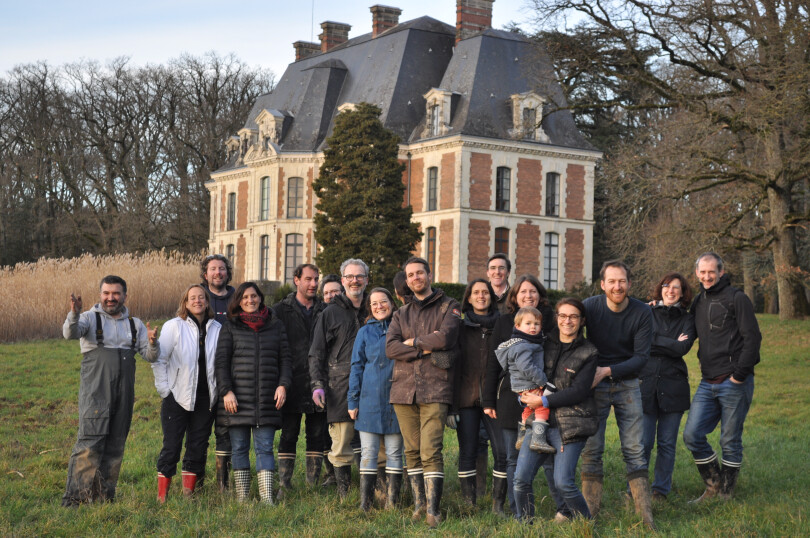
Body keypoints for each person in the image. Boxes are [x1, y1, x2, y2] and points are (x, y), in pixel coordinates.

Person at [61, 275, 159, 507]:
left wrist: (153, 343)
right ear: (100, 295)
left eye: (116, 293)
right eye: (106, 293)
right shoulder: (88, 318)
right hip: (96, 394)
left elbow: (150, 356)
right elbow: (70, 333)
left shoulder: (135, 324)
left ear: (125, 295)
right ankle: (75, 500)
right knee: (89, 445)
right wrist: (74, 313)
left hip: (123, 395)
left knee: (115, 445)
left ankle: (104, 498)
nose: (111, 298)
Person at [386, 257, 462, 528]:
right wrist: (422, 350)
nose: (415, 278)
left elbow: (446, 338)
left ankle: (433, 510)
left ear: (429, 275)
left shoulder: (449, 306)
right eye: (410, 275)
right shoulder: (401, 313)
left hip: (435, 388)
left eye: (420, 273)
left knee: (431, 449)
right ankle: (419, 505)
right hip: (403, 390)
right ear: (406, 281)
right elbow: (391, 348)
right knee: (412, 451)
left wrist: (413, 342)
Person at [580, 260, 655, 529]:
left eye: (622, 281)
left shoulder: (642, 312)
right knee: (592, 449)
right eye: (611, 281)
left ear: (629, 284)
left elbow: (641, 358)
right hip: (594, 385)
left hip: (628, 383)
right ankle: (589, 514)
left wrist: (607, 371)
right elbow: (568, 330)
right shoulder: (590, 307)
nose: (617, 286)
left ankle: (645, 516)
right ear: (602, 284)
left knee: (635, 449)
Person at [683, 252, 761, 502]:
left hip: (734, 381)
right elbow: (684, 326)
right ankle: (713, 485)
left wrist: (739, 375)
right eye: (703, 272)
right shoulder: (699, 300)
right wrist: (656, 307)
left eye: (711, 272)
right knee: (692, 435)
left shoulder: (737, 298)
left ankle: (725, 495)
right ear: (697, 273)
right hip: (708, 381)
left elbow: (753, 338)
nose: (707, 277)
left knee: (730, 439)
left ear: (721, 272)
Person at [513, 298, 598, 522]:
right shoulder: (542, 343)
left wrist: (543, 401)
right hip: (538, 422)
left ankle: (585, 524)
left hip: (571, 423)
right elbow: (522, 370)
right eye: (563, 316)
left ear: (582, 321)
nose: (567, 321)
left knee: (564, 483)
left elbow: (579, 391)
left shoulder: (589, 352)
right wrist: (523, 394)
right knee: (521, 479)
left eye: (573, 316)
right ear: (556, 318)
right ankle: (524, 524)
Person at [483, 274, 561, 517]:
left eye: (533, 291)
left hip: (546, 395)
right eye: (523, 292)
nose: (528, 295)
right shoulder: (504, 322)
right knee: (512, 458)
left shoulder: (551, 321)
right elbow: (492, 364)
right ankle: (518, 510)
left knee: (549, 456)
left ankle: (562, 509)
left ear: (540, 295)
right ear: (514, 296)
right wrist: (488, 400)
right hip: (511, 396)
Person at [215, 282, 291, 504]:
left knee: (265, 448)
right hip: (236, 400)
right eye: (245, 297)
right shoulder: (230, 327)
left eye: (254, 296)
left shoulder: (275, 325)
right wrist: (226, 391)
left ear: (260, 298)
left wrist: (283, 385)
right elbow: (221, 363)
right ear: (239, 301)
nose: (250, 300)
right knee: (239, 448)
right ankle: (242, 498)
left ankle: (267, 499)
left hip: (267, 399)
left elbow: (286, 360)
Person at [153, 284, 222, 502]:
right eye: (192, 298)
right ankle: (162, 497)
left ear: (207, 302)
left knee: (197, 446)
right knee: (171, 446)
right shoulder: (174, 326)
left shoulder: (217, 328)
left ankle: (188, 495)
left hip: (205, 399)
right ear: (185, 302)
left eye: (201, 297)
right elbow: (159, 359)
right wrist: (165, 390)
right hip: (177, 397)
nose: (197, 301)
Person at [309, 258, 370, 498]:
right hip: (339, 387)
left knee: (374, 442)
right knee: (342, 442)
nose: (355, 281)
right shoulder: (330, 313)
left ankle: (372, 493)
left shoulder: (375, 307)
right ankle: (345, 494)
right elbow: (316, 353)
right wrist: (317, 385)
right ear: (342, 280)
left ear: (367, 279)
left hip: (374, 385)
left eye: (359, 276)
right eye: (350, 277)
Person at [273, 264, 328, 497]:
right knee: (288, 434)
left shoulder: (325, 310)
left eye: (316, 279)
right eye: (308, 279)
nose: (313, 284)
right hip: (291, 380)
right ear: (296, 280)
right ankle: (284, 485)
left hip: (318, 382)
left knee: (317, 434)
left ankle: (312, 485)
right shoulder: (280, 310)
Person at [640, 272, 696, 501]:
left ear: (682, 293)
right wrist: (671, 343)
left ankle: (660, 490)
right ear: (660, 288)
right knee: (643, 443)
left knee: (666, 443)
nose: (670, 290)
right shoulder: (647, 311)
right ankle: (636, 489)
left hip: (674, 386)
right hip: (646, 384)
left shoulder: (688, 319)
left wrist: (657, 341)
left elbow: (683, 349)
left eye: (676, 287)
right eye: (666, 286)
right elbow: (641, 342)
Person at [348, 288, 404, 511]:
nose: (379, 306)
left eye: (383, 301)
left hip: (397, 399)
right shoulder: (364, 332)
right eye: (374, 303)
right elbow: (356, 367)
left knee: (394, 453)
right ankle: (366, 504)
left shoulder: (402, 328)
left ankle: (392, 503)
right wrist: (352, 401)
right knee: (368, 453)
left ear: (392, 302)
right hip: (369, 401)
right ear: (369, 308)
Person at [452, 278, 503, 509]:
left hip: (495, 399)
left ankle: (498, 504)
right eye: (476, 292)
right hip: (466, 399)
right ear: (469, 298)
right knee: (468, 451)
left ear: (491, 297)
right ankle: (468, 504)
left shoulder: (502, 326)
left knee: (502, 451)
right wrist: (451, 406)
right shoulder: (459, 327)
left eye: (485, 292)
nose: (481, 296)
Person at [495, 307, 555, 454]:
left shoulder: (525, 342)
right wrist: (543, 382)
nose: (533, 327)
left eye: (536, 324)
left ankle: (522, 436)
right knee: (542, 406)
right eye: (528, 323)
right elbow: (526, 367)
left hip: (522, 384)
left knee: (529, 408)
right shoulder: (523, 345)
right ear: (518, 326)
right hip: (529, 382)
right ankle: (538, 439)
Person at [200, 253, 235, 491]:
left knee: (225, 430)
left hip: (231, 375)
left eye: (221, 268)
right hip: (202, 375)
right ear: (206, 274)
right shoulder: (198, 296)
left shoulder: (237, 298)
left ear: (227, 272)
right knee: (200, 432)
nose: (217, 273)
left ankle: (223, 484)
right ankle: (197, 481)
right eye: (213, 269)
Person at [315, 272, 343, 486]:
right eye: (327, 293)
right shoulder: (319, 316)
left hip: (342, 380)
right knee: (325, 431)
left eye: (335, 291)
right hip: (323, 379)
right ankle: (331, 473)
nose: (331, 296)